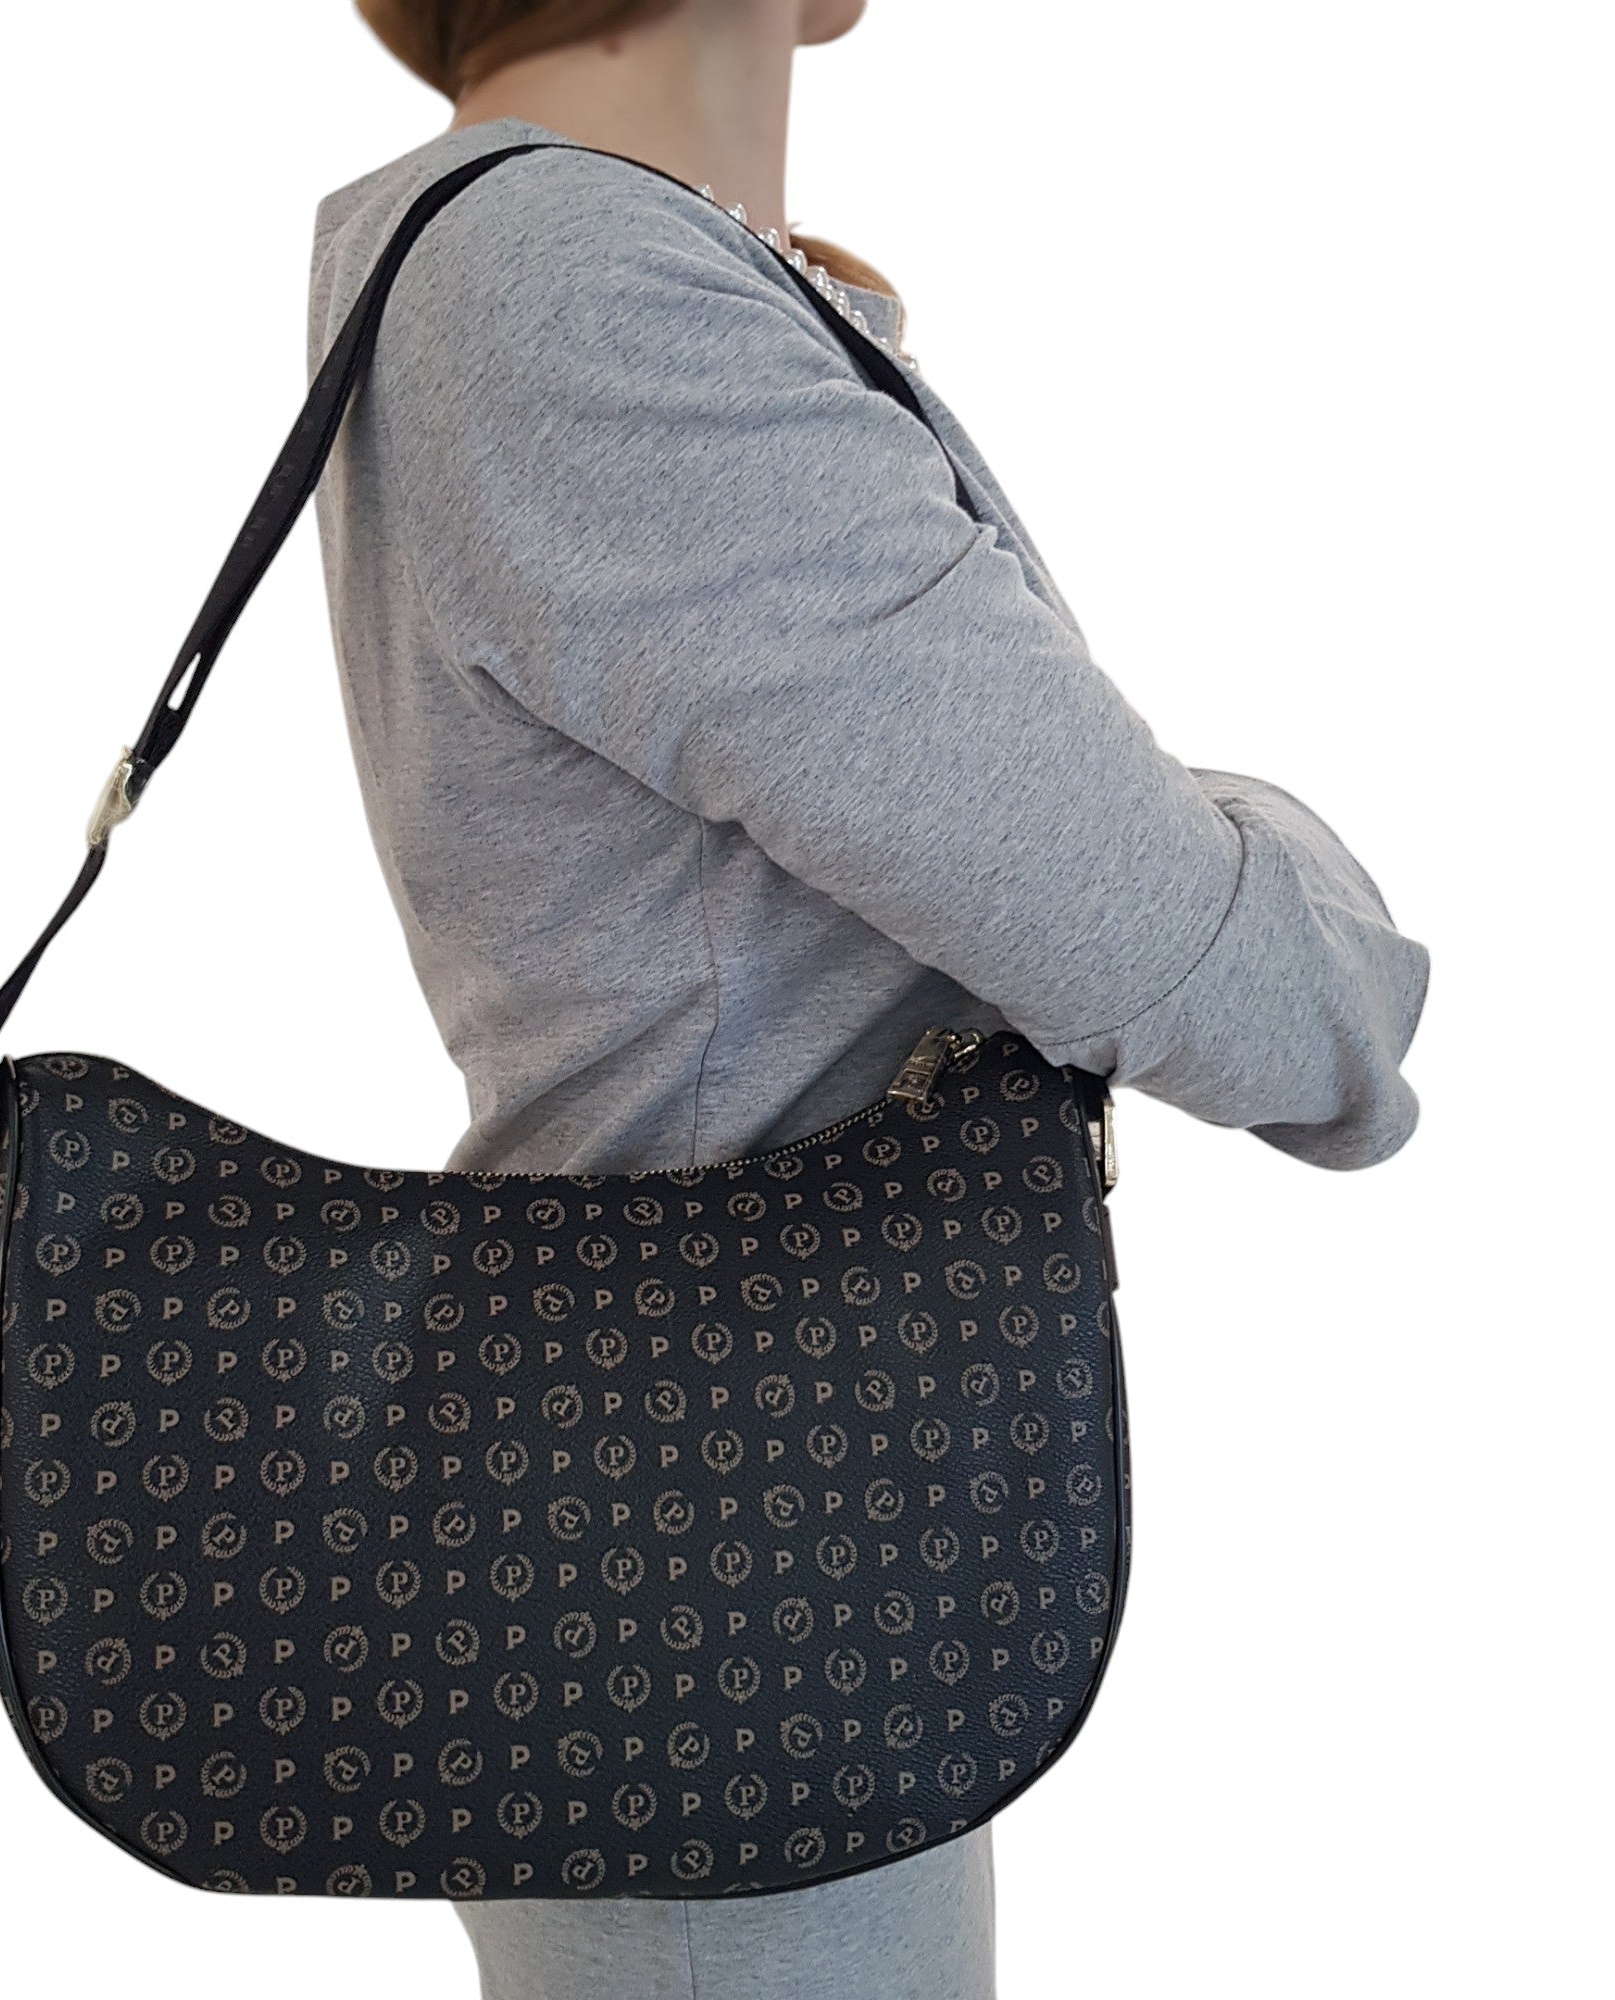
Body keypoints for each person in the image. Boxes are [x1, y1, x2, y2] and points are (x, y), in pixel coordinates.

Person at [310, 3, 1430, 1993]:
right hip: (718, 1581)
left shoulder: (516, 257)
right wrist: (1287, 870)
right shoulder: (578, 288)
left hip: (718, 1511)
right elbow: (1238, 980)